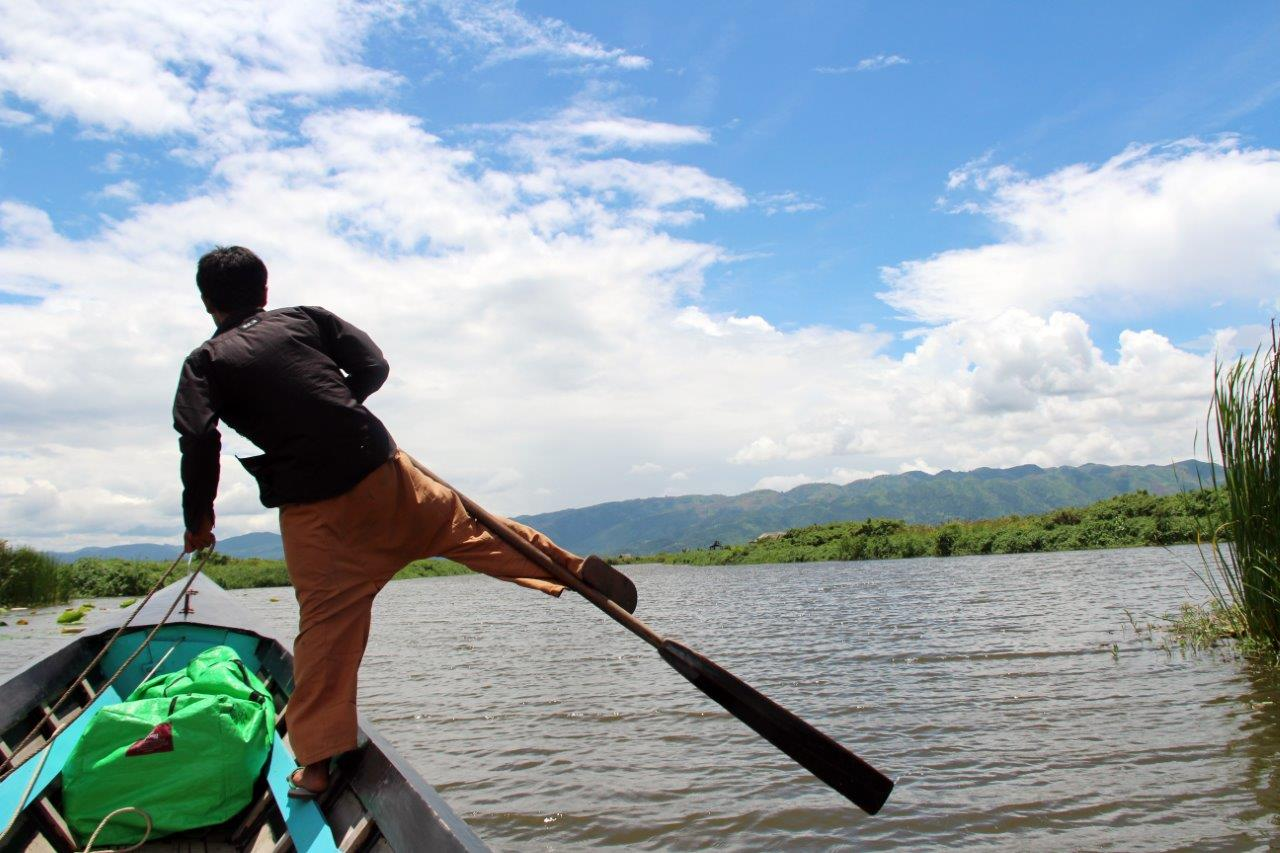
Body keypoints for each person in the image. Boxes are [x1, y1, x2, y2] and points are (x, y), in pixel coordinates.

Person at [173, 246, 631, 797]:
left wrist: (199, 521)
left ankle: (316, 764)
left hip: (319, 513)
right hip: (385, 472)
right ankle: (571, 569)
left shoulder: (204, 362)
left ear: (207, 303)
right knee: (475, 531)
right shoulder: (305, 319)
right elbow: (374, 365)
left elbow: (199, 439)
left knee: (325, 630)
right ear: (264, 291)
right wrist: (342, 406)